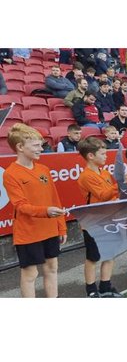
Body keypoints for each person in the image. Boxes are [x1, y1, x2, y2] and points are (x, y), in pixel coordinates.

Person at [3, 124, 67, 298]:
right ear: (20, 147)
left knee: (52, 268)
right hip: (28, 232)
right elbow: (21, 206)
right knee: (30, 274)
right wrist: (46, 211)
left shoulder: (43, 169)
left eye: (41, 145)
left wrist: (61, 227)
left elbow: (55, 200)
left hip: (50, 229)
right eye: (36, 145)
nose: (41, 148)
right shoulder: (11, 174)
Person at [76, 136, 124, 297]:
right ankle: (91, 290)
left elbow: (110, 196)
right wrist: (119, 185)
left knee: (109, 253)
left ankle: (105, 285)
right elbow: (102, 195)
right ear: (90, 155)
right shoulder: (86, 176)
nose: (106, 156)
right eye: (102, 154)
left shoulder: (104, 172)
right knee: (93, 257)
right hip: (93, 222)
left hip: (109, 218)